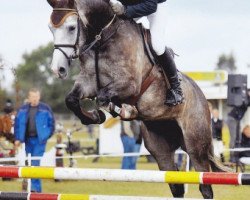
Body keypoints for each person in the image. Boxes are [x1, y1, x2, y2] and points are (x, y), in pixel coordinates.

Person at [109, 0, 184, 106]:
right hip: (133, 5)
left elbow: (151, 6)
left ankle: (176, 89)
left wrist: (125, 11)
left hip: (156, 7)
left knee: (157, 45)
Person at [14, 88, 55, 192]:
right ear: (29, 97)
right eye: (32, 96)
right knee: (29, 163)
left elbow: (52, 124)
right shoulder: (23, 109)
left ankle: (35, 190)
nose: (35, 99)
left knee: (35, 163)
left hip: (39, 141)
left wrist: (46, 136)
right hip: (27, 140)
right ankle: (30, 189)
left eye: (36, 96)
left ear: (39, 97)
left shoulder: (45, 108)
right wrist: (17, 138)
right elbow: (17, 125)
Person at [227, 90, 250, 163]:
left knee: (239, 138)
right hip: (232, 118)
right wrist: (247, 94)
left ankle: (237, 156)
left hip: (237, 119)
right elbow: (244, 103)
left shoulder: (248, 100)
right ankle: (232, 156)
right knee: (233, 137)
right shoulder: (243, 98)